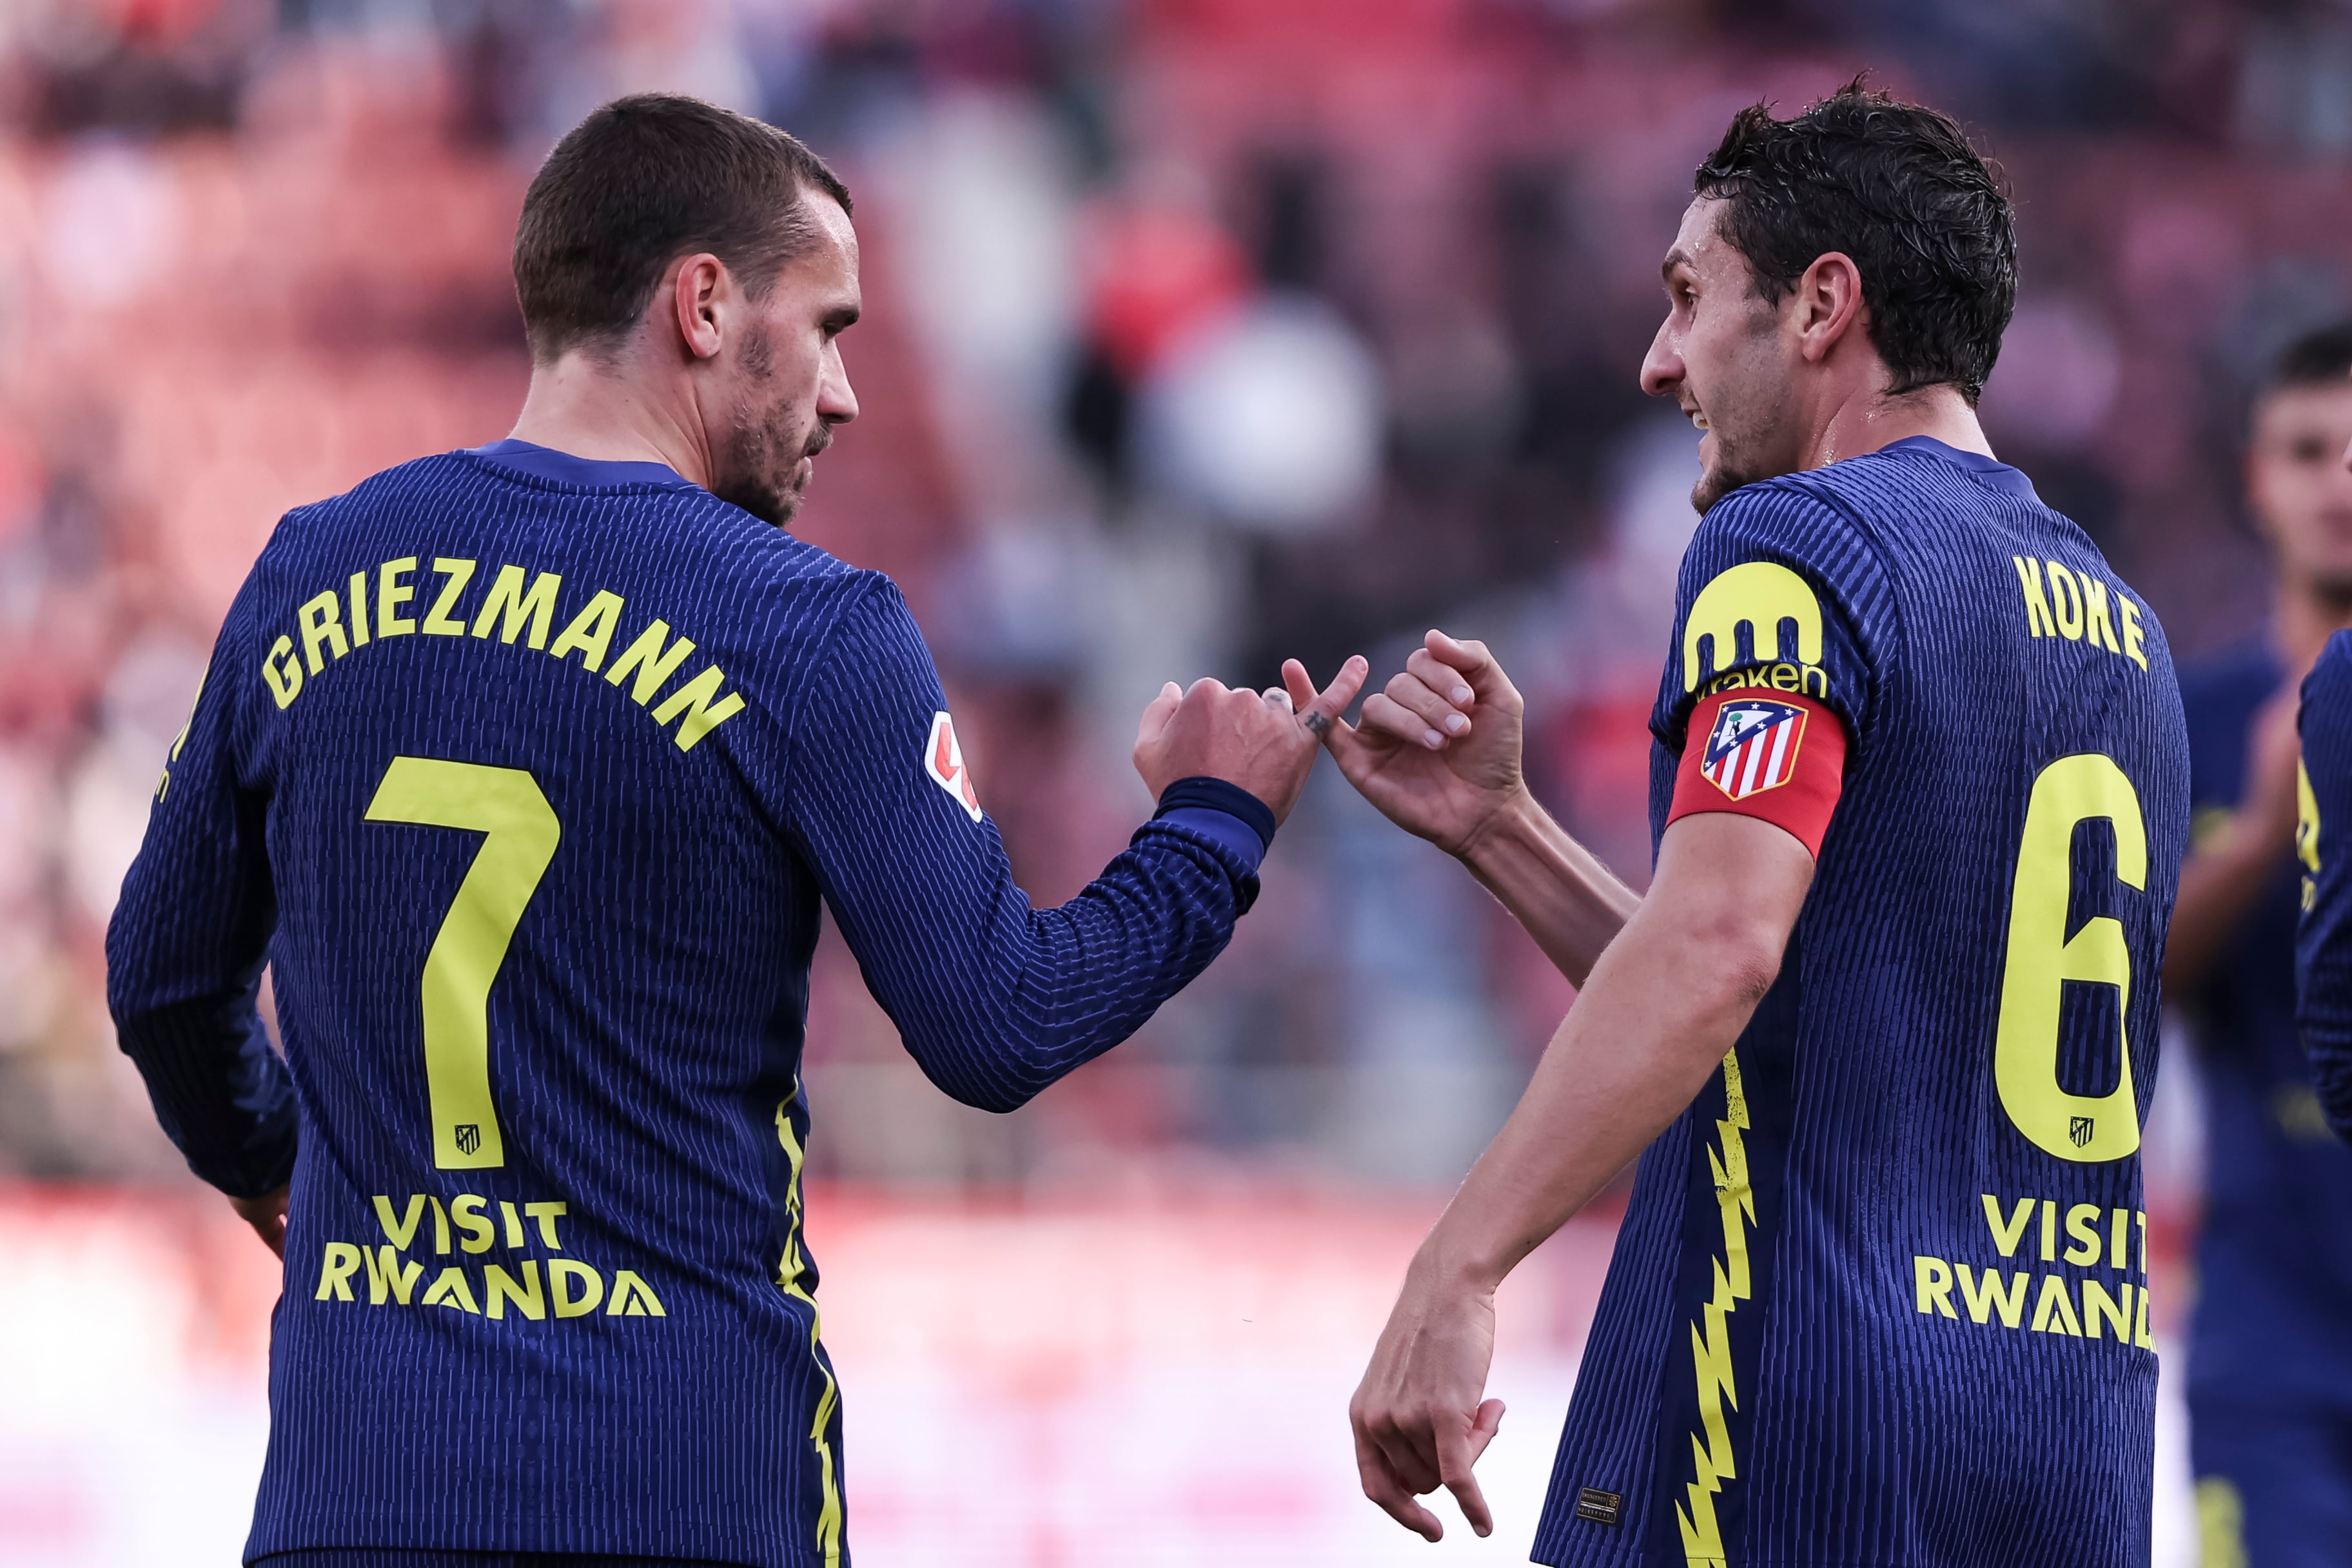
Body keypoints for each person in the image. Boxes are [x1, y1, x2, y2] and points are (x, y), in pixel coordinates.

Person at [105, 94, 1363, 1568]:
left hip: (358, 1499)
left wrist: (275, 1167)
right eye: (825, 328)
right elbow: (998, 1024)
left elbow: (161, 981)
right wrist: (1210, 827)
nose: (844, 396)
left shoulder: (308, 575)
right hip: (682, 1491)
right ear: (702, 304)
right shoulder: (805, 626)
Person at [1304, 82, 2190, 1564]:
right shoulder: (2125, 627)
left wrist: (1457, 1269)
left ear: (1823, 305)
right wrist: (1508, 828)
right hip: (2070, 1431)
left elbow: (1719, 946)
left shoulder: (1793, 542)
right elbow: (1797, 1000)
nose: (1660, 363)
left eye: (1691, 298)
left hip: (1802, 1401)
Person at [2165, 323, 2352, 1566]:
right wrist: (2265, 829)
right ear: (2257, 479)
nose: (2342, 483)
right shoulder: (2184, 714)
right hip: (2270, 1338)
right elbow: (2117, 982)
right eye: (2310, 449)